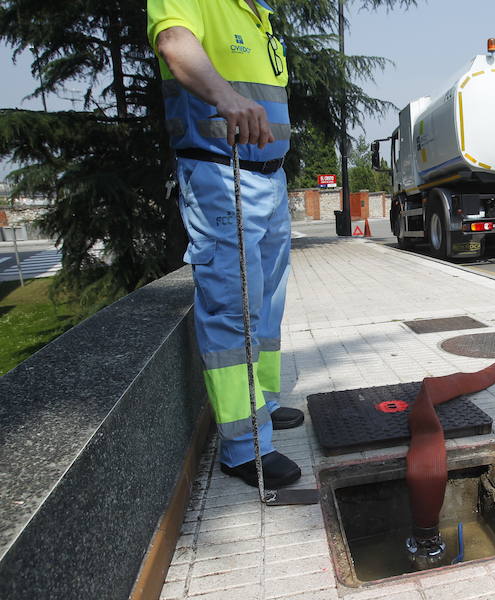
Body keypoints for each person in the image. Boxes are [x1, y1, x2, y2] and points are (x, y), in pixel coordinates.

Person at [147, 0, 305, 488]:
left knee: (266, 302)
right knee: (233, 306)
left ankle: (264, 404)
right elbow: (174, 43)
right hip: (221, 172)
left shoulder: (257, 12)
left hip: (269, 176)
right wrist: (224, 96)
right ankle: (243, 447)